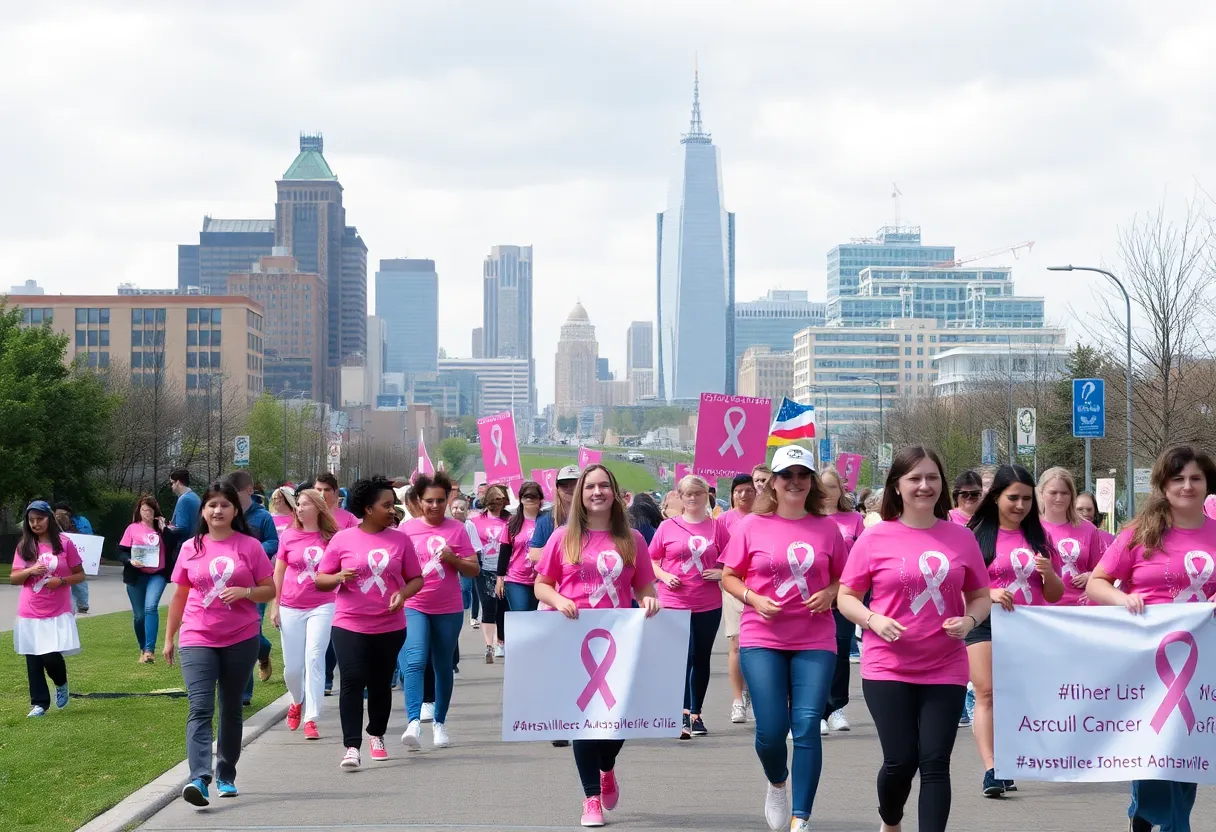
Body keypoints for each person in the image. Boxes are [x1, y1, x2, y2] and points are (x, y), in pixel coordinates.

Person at [837, 446, 992, 832]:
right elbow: (846, 598)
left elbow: (980, 596)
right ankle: (890, 820)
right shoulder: (874, 538)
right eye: (915, 478)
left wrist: (970, 619)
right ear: (897, 485)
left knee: (936, 762)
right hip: (888, 666)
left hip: (945, 666)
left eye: (932, 478)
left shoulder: (961, 538)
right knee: (901, 761)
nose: (925, 486)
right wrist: (873, 619)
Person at [1087, 445, 1216, 832]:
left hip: (1203, 661)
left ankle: (1145, 815)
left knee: (1186, 749)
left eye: (1195, 478)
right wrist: (1123, 599)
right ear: (1163, 484)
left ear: (1207, 483)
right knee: (1156, 743)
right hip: (1147, 660)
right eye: (1178, 479)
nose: (1187, 486)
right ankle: (1168, 823)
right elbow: (1096, 583)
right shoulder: (1140, 532)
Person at [719, 445, 846, 832]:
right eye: (787, 475)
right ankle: (777, 782)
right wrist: (753, 598)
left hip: (815, 638)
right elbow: (729, 576)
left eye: (803, 475)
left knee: (806, 725)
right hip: (762, 637)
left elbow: (846, 579)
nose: (795, 481)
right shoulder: (751, 526)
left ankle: (800, 817)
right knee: (772, 730)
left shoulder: (827, 528)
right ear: (772, 483)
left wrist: (830, 593)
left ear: (812, 482)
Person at [534, 464, 662, 828]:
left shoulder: (632, 539)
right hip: (574, 639)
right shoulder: (563, 537)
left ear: (614, 493)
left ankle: (607, 767)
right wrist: (559, 600)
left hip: (619, 642)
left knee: (616, 721)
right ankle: (591, 798)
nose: (597, 492)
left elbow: (644, 585)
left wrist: (648, 599)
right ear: (580, 494)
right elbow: (541, 585)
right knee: (585, 722)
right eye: (590, 486)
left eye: (604, 485)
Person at [163, 481, 275, 806]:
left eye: (225, 505)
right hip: (197, 635)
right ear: (203, 511)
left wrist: (246, 592)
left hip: (241, 637)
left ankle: (226, 774)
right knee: (199, 707)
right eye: (212, 505)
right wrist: (169, 638)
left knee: (230, 706)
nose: (218, 510)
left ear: (235, 510)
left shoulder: (250, 546)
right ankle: (199, 778)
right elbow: (180, 595)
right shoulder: (190, 547)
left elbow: (270, 589)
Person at [966, 464, 1063, 796]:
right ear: (996, 497)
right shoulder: (975, 536)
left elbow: (1055, 594)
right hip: (985, 623)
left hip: (1028, 627)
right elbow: (961, 587)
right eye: (1013, 498)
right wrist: (988, 593)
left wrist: (1049, 573)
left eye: (1026, 499)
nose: (1020, 505)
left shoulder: (1040, 537)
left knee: (1019, 697)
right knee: (987, 693)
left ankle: (1008, 761)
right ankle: (992, 769)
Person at [315, 477, 423, 770]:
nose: (392, 510)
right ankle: (352, 746)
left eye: (393, 504)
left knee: (380, 683)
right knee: (351, 680)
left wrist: (403, 594)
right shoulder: (343, 539)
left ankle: (376, 734)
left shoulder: (401, 540)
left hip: (389, 626)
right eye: (386, 505)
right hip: (349, 623)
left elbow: (417, 578)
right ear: (367, 508)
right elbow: (321, 579)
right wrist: (338, 577)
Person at [399, 471, 479, 750]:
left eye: (440, 500)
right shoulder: (406, 531)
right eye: (429, 501)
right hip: (414, 605)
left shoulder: (457, 529)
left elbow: (473, 569)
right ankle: (413, 721)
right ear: (419, 501)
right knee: (415, 660)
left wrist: (452, 558)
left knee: (442, 664)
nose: (435, 506)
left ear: (447, 500)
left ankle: (439, 723)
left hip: (448, 608)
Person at [649, 474, 728, 739]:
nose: (693, 498)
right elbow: (651, 561)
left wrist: (721, 573)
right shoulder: (667, 527)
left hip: (707, 603)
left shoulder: (717, 528)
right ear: (680, 497)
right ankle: (681, 712)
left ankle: (696, 712)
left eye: (698, 493)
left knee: (700, 657)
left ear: (707, 496)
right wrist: (664, 576)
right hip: (674, 602)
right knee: (682, 656)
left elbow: (733, 563)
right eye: (687, 494)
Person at [269, 488, 338, 741]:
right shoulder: (289, 536)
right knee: (293, 668)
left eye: (305, 504)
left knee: (315, 657)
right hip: (291, 605)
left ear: (318, 508)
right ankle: (297, 701)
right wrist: (275, 604)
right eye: (298, 504)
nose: (299, 508)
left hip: (323, 605)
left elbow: (341, 570)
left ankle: (311, 717)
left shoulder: (332, 538)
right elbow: (278, 572)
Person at [11, 501, 85, 717]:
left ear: (49, 519)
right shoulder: (24, 545)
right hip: (30, 610)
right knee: (33, 657)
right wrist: (30, 570)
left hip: (56, 610)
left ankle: (61, 683)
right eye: (31, 520)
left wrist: (61, 581)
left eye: (39, 519)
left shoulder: (64, 543)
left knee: (50, 655)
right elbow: (14, 578)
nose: (35, 524)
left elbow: (80, 574)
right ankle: (39, 704)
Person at [529, 464, 580, 748]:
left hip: (587, 601)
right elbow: (534, 552)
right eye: (565, 484)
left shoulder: (598, 516)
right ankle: (560, 720)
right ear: (557, 488)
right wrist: (563, 552)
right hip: (554, 597)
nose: (570, 489)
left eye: (575, 483)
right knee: (558, 662)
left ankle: (582, 718)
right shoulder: (548, 519)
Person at [817, 466, 866, 736]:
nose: (827, 492)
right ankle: (817, 710)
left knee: (840, 651)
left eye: (832, 486)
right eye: (823, 486)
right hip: (815, 595)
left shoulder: (854, 520)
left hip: (845, 595)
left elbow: (862, 556)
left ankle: (836, 707)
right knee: (818, 653)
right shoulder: (809, 517)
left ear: (841, 490)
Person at [227, 470, 280, 702]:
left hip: (256, 582)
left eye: (235, 492)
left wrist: (253, 552)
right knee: (237, 632)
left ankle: (245, 691)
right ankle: (263, 653)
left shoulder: (263, 517)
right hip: (229, 580)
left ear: (248, 490)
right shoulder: (228, 515)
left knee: (250, 631)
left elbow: (273, 542)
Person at [1038, 467, 1106, 606]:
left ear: (1072, 495)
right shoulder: (1031, 528)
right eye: (1053, 492)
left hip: (1081, 607)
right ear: (1042, 493)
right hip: (1043, 609)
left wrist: (1091, 576)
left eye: (1065, 493)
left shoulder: (1088, 529)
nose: (1059, 498)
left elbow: (1103, 570)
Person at [116, 494, 172, 663]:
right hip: (137, 575)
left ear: (155, 511)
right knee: (139, 615)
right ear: (139, 511)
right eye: (143, 510)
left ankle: (149, 650)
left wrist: (165, 529)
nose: (146, 513)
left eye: (149, 510)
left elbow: (173, 546)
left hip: (157, 574)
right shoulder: (132, 528)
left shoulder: (162, 528)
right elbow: (120, 551)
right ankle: (142, 647)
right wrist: (129, 561)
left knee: (151, 607)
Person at [719, 473, 757, 724]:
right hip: (734, 587)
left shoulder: (764, 517)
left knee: (757, 646)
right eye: (738, 491)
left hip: (759, 588)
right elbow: (715, 552)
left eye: (748, 490)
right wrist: (718, 573)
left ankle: (754, 694)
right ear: (732, 495)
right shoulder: (723, 521)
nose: (743, 495)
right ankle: (737, 699)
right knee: (737, 643)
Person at [471, 484, 510, 662]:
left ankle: (501, 641)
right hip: (484, 569)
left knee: (502, 607)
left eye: (501, 501)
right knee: (488, 606)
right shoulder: (476, 521)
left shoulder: (511, 520)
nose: (497, 504)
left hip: (505, 570)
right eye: (494, 501)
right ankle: (489, 645)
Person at [497, 480, 544, 612]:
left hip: (542, 579)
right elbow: (505, 551)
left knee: (538, 617)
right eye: (526, 496)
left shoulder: (548, 522)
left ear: (540, 499)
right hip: (516, 579)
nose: (529, 499)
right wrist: (500, 577)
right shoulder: (512, 523)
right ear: (521, 499)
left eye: (533, 496)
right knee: (521, 613)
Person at [451, 494, 482, 628]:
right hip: (451, 561)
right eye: (455, 508)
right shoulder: (447, 526)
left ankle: (473, 615)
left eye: (461, 508)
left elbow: (476, 547)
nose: (458, 511)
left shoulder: (469, 525)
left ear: (467, 511)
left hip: (467, 561)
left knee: (469, 588)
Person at [169, 468, 202, 545]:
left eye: (172, 483)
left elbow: (182, 528)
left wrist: (165, 529)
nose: (171, 486)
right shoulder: (195, 497)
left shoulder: (184, 499)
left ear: (178, 482)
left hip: (185, 544)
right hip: (196, 542)